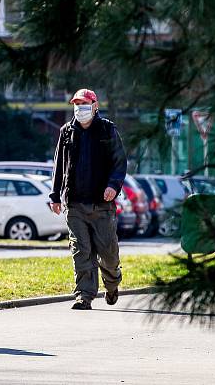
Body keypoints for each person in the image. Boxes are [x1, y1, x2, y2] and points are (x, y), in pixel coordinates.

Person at [49, 88, 127, 310]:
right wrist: (55, 196)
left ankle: (112, 284)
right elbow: (59, 166)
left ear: (95, 106)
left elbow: (119, 162)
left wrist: (113, 185)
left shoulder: (107, 129)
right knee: (81, 251)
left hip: (102, 206)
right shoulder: (66, 132)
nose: (79, 108)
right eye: (76, 104)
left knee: (108, 254)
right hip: (74, 205)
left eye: (84, 104)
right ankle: (84, 295)